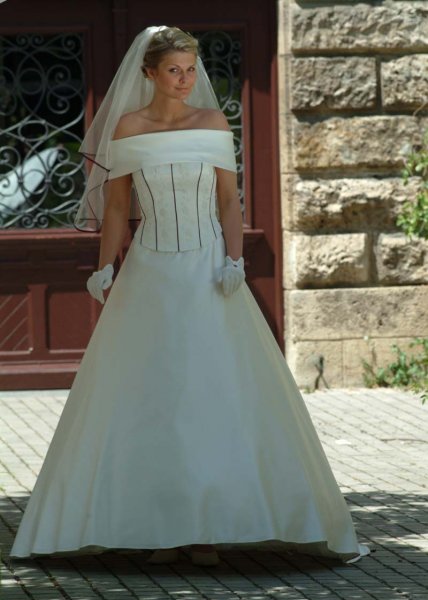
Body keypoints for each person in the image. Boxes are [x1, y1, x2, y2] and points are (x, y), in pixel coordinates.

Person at [10, 26, 370, 567]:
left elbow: (228, 201)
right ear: (149, 73)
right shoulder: (129, 128)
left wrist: (234, 259)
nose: (184, 80)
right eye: (173, 70)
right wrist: (104, 267)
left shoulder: (213, 123)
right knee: (153, 396)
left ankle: (208, 528)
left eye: (189, 70)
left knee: (212, 391)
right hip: (149, 274)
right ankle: (162, 525)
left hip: (208, 272)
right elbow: (117, 207)